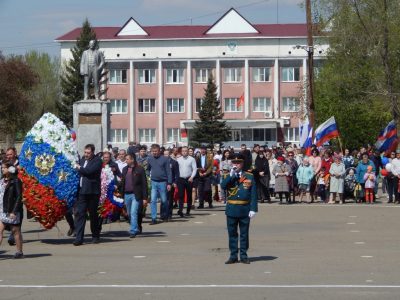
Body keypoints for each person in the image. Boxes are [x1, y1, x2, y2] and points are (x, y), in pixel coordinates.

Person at [221, 153, 257, 264]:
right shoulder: (228, 175)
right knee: (232, 233)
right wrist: (232, 175)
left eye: (238, 162)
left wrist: (253, 209)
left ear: (242, 163)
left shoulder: (249, 176)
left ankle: (243, 255)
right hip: (232, 208)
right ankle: (233, 256)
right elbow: (223, 186)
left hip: (244, 208)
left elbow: (253, 194)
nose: (236, 164)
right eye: (234, 162)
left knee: (244, 234)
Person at [73, 144, 103, 246]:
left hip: (92, 192)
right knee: (80, 214)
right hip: (82, 192)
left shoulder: (97, 161)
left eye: (88, 153)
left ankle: (95, 235)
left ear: (93, 152)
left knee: (93, 214)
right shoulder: (82, 160)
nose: (86, 154)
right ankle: (79, 238)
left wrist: (78, 167)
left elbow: (88, 171)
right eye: (85, 152)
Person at [0, 161, 23, 258]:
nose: (2, 169)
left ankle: (19, 252)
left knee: (15, 231)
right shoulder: (1, 180)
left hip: (11, 210)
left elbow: (19, 196)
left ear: (10, 169)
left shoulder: (16, 181)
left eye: (4, 168)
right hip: (2, 209)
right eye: (1, 168)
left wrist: (14, 211)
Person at [121, 154, 147, 238]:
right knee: (129, 213)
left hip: (136, 194)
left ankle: (133, 230)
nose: (126, 160)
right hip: (126, 194)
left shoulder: (140, 169)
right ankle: (136, 227)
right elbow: (122, 183)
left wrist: (145, 198)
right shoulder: (124, 169)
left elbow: (144, 184)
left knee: (133, 212)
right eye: (126, 159)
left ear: (132, 160)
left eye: (127, 159)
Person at [147, 144, 172, 224]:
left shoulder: (165, 159)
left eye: (156, 151)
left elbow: (169, 172)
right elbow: (148, 169)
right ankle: (154, 218)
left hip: (163, 182)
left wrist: (169, 183)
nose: (154, 153)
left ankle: (165, 215)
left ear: (159, 151)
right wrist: (148, 176)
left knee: (164, 200)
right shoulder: (150, 159)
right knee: (153, 200)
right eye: (153, 151)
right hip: (154, 182)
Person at [176, 146, 197, 217]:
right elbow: (176, 170)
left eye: (186, 151)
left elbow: (194, 169)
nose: (184, 152)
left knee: (189, 195)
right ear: (181, 152)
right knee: (181, 195)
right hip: (180, 179)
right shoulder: (178, 159)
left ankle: (188, 210)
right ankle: (180, 210)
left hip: (189, 179)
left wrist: (192, 177)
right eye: (183, 151)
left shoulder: (192, 159)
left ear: (188, 151)